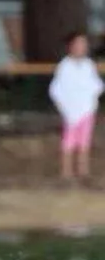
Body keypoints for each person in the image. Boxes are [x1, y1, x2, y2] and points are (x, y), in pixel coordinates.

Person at [49, 31, 105, 184]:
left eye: (83, 44)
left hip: (86, 110)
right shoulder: (64, 66)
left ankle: (83, 171)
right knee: (68, 142)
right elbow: (57, 89)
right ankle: (66, 171)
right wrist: (65, 106)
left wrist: (91, 97)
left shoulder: (88, 65)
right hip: (70, 111)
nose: (81, 47)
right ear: (70, 47)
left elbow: (95, 85)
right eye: (78, 44)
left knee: (84, 141)